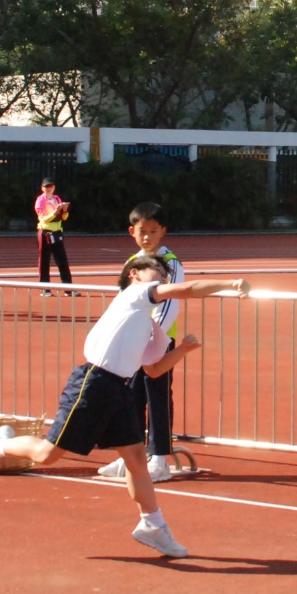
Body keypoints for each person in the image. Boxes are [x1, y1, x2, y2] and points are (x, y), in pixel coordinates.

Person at [0, 258, 248, 557]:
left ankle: (153, 525)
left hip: (121, 390)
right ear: (135, 274)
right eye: (158, 273)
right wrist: (231, 284)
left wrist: (183, 350)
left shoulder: (147, 324)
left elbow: (153, 370)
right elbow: (187, 289)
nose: (163, 279)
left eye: (166, 276)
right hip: (93, 383)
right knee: (48, 455)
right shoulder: (134, 294)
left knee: (136, 460)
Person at [98, 203, 184, 484]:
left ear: (163, 232)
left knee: (158, 397)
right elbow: (123, 300)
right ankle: (131, 455)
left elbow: (169, 302)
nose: (147, 236)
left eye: (153, 231)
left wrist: (155, 338)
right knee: (131, 396)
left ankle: (159, 458)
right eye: (142, 231)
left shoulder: (170, 263)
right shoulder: (133, 262)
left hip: (158, 342)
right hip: (133, 340)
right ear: (132, 232)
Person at [35, 177, 72, 290]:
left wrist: (64, 211)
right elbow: (43, 219)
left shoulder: (57, 199)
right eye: (46, 186)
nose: (48, 188)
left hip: (57, 232)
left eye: (50, 186)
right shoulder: (40, 201)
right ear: (42, 188)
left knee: (62, 260)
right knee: (44, 261)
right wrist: (55, 213)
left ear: (54, 187)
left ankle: (68, 288)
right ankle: (45, 288)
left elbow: (64, 218)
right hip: (45, 232)